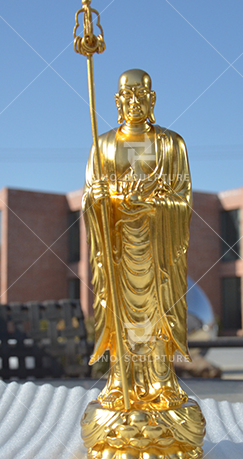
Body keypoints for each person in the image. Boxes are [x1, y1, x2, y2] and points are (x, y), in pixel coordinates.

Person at [83, 69, 193, 411]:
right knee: (122, 315)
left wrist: (153, 203)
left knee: (157, 312)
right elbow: (89, 198)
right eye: (127, 96)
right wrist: (101, 200)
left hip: (157, 250)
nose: (134, 102)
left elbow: (184, 200)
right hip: (118, 250)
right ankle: (122, 382)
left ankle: (161, 380)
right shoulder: (102, 145)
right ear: (117, 101)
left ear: (153, 99)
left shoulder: (171, 144)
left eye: (140, 95)